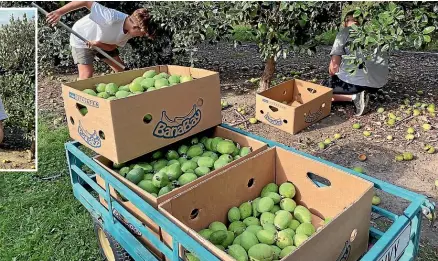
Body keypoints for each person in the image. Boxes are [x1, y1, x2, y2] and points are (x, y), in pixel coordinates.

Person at [46, 1, 156, 80]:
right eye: (142, 34)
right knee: (86, 75)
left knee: (121, 69)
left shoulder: (129, 33)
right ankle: (78, 104)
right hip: (81, 37)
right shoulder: (110, 17)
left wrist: (98, 44)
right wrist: (59, 12)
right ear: (135, 27)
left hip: (102, 41)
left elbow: (112, 47)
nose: (141, 36)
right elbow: (86, 2)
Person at [321, 11, 389, 116]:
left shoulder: (344, 33)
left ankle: (354, 97)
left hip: (356, 85)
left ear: (345, 22)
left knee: (322, 88)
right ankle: (369, 93)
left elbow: (334, 67)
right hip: (378, 84)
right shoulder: (376, 34)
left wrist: (332, 78)